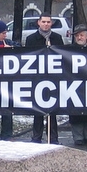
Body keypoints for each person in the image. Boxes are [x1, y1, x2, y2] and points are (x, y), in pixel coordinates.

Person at [26, 14, 62, 144]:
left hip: (53, 78)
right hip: (37, 78)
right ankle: (36, 137)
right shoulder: (31, 39)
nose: (46, 24)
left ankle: (53, 137)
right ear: (38, 23)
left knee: (53, 109)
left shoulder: (57, 38)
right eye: (43, 22)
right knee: (38, 110)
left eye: (48, 22)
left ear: (51, 23)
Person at [67, 25, 87, 145]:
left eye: (82, 35)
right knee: (76, 112)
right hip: (74, 85)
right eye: (77, 35)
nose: (79, 37)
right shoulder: (69, 50)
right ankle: (78, 137)